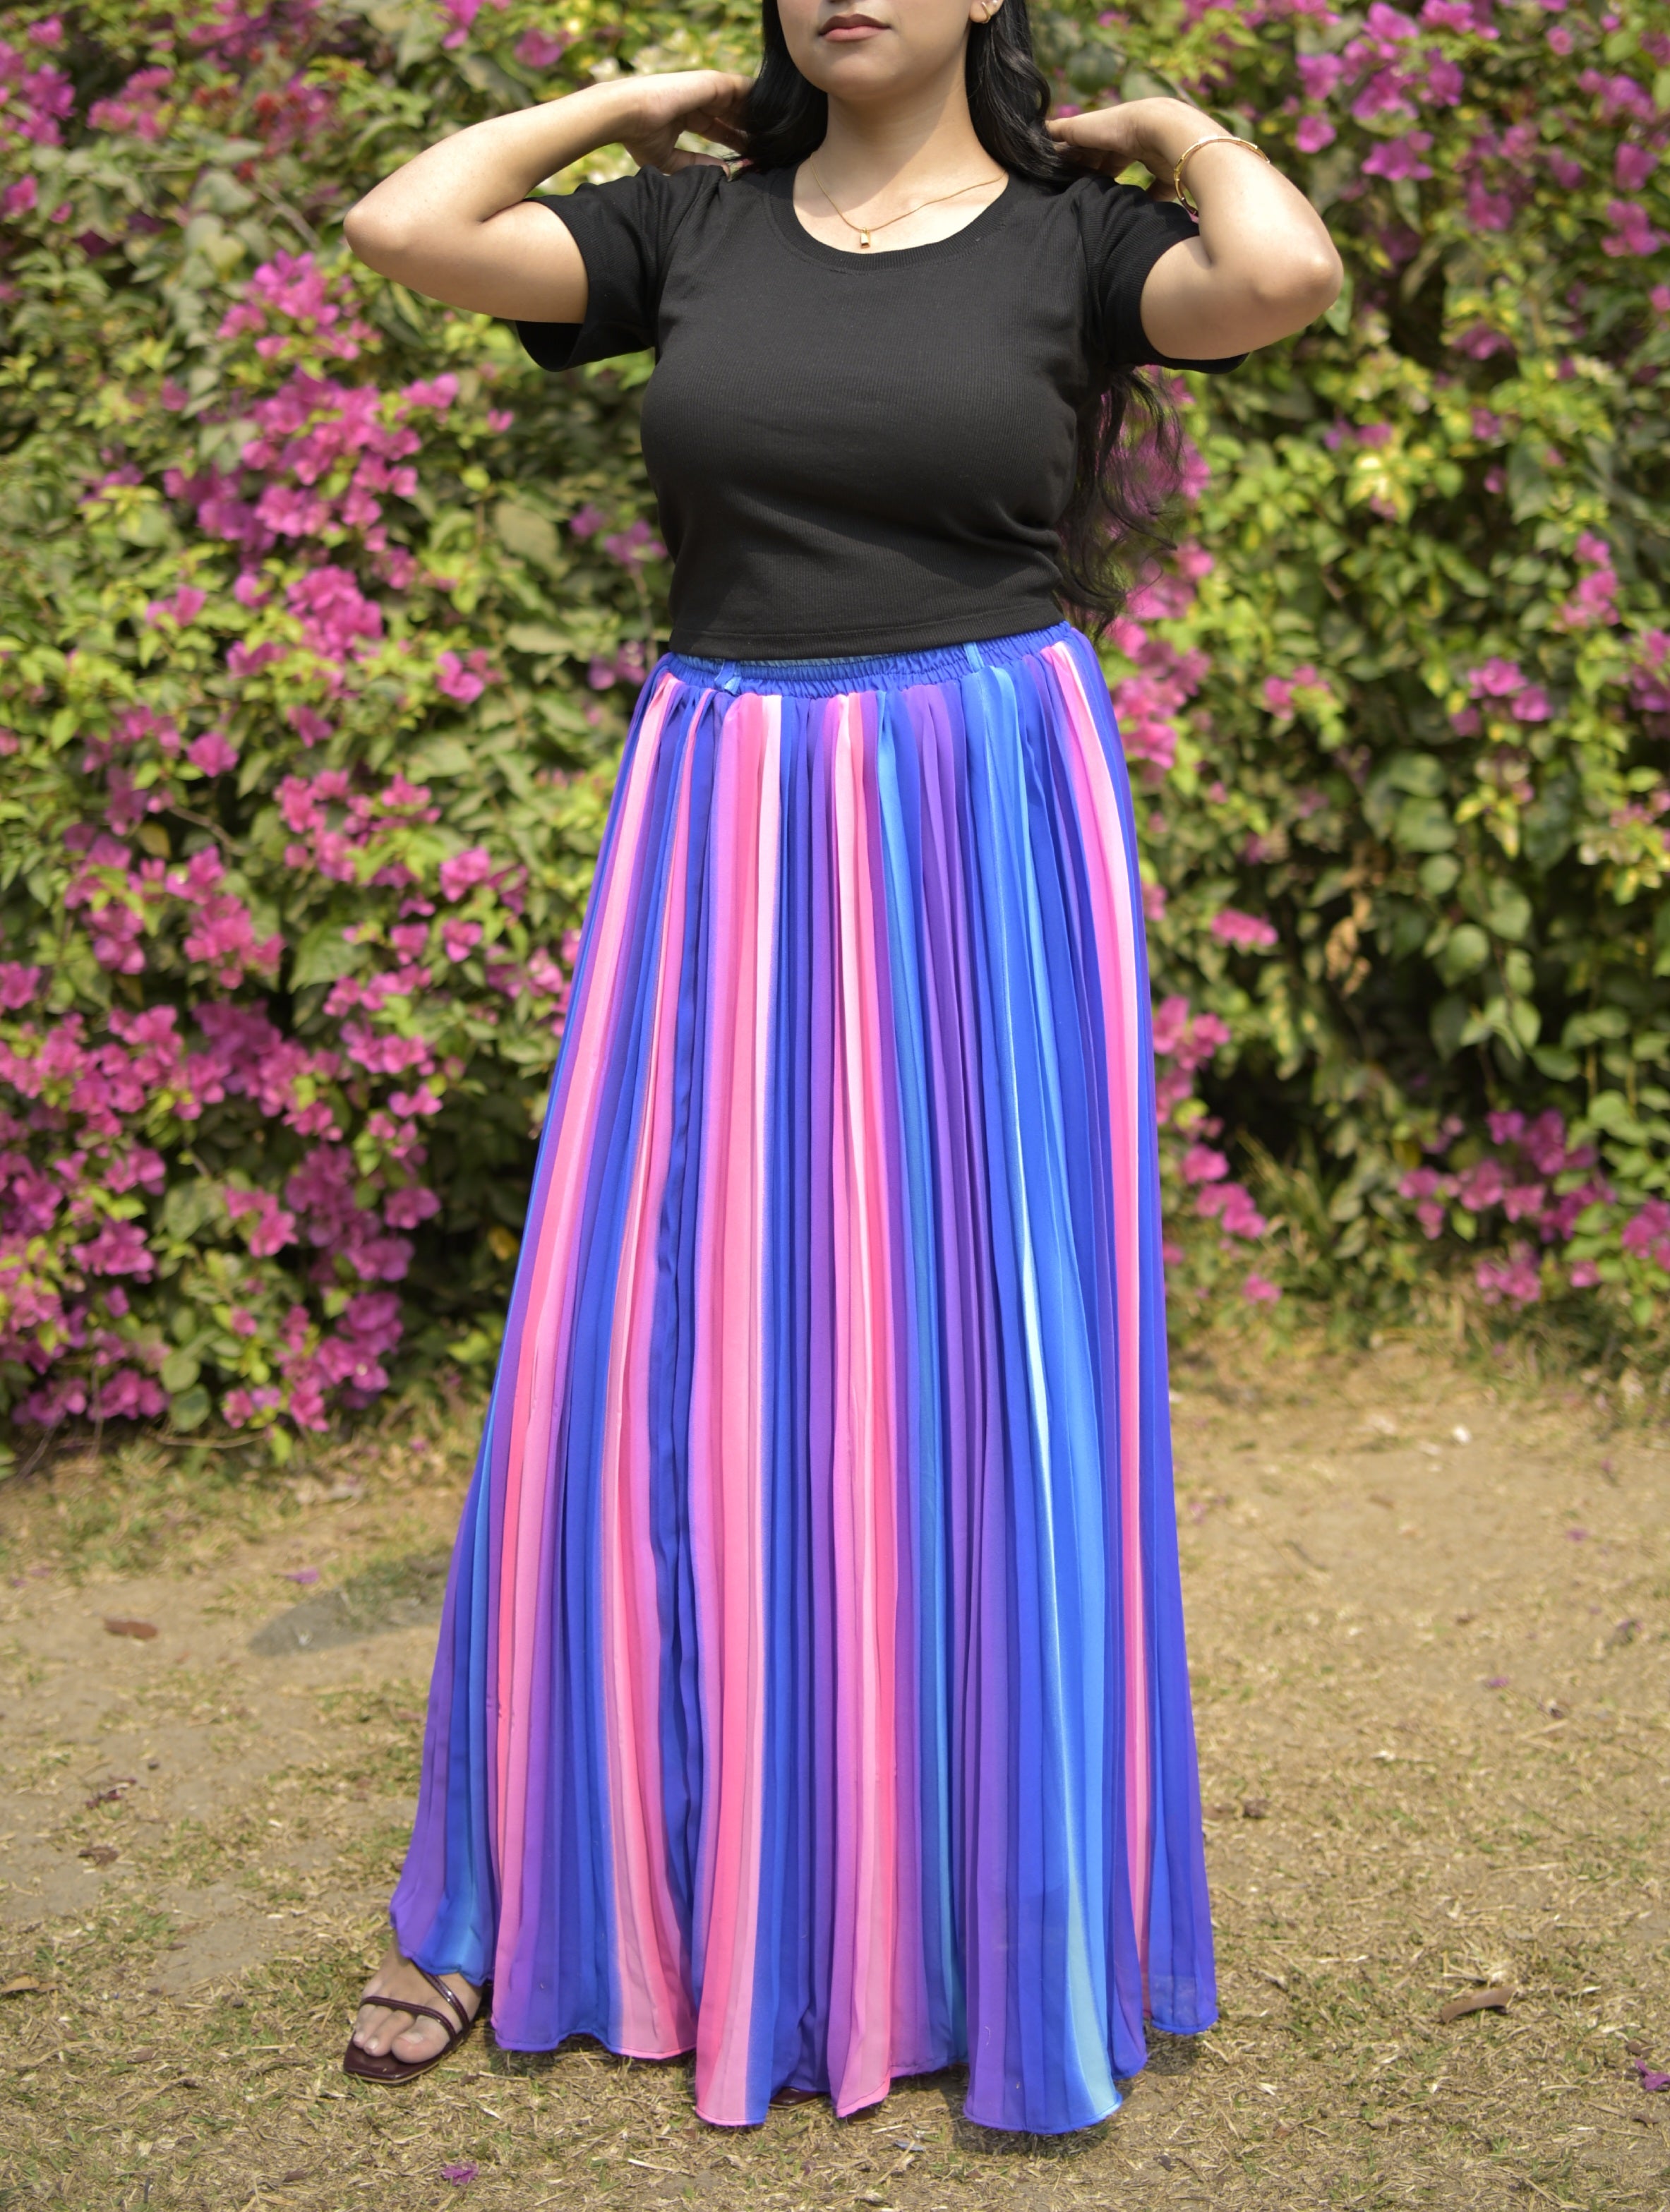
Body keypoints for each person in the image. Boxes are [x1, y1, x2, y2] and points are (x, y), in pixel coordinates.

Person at [339, 0, 1340, 2134]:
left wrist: (1168, 125)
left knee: (979, 1370)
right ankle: (582, 1898)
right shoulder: (690, 232)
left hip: (985, 803)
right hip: (719, 804)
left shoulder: (1076, 245)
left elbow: (1278, 279)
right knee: (636, 1357)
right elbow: (409, 224)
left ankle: (961, 1922)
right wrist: (632, 101)